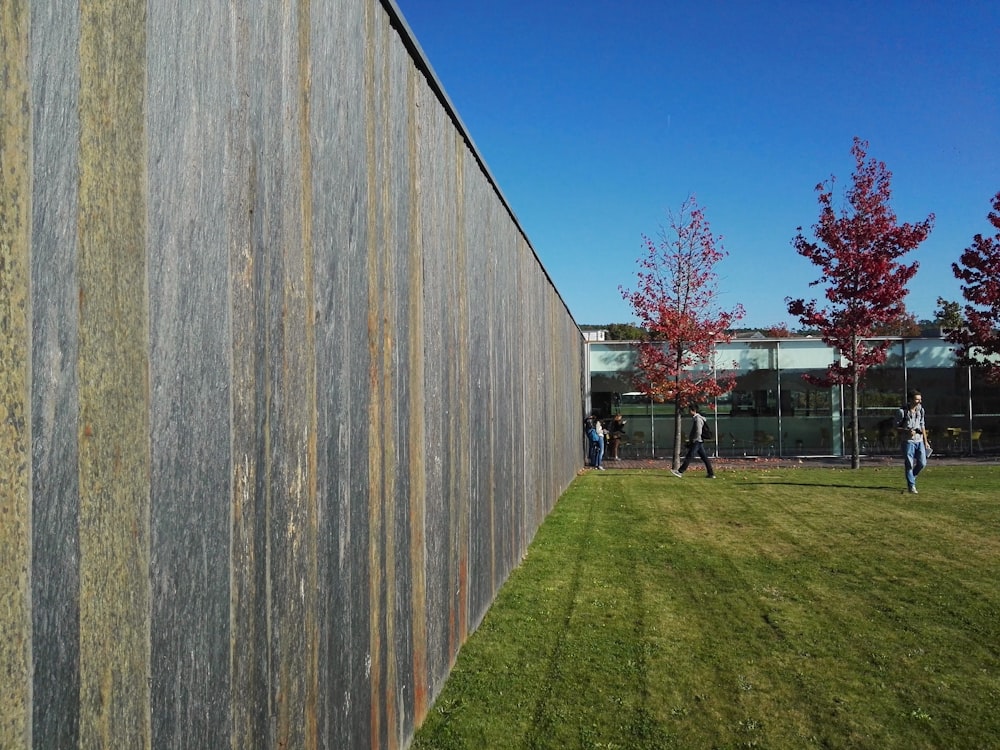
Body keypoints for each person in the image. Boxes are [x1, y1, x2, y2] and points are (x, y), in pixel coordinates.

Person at [895, 389, 930, 494]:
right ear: (910, 400)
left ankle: (912, 478)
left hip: (919, 441)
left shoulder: (921, 410)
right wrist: (907, 431)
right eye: (917, 399)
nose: (919, 401)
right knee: (909, 464)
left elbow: (922, 425)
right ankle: (911, 486)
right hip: (908, 441)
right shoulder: (902, 412)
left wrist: (925, 441)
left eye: (920, 399)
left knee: (922, 463)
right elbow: (895, 427)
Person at [671, 404, 716, 479]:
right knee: (704, 458)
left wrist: (693, 440)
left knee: (689, 456)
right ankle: (711, 473)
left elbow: (698, 431)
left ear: (693, 411)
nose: (688, 412)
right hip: (698, 441)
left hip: (697, 441)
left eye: (689, 410)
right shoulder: (697, 418)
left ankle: (680, 471)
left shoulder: (698, 419)